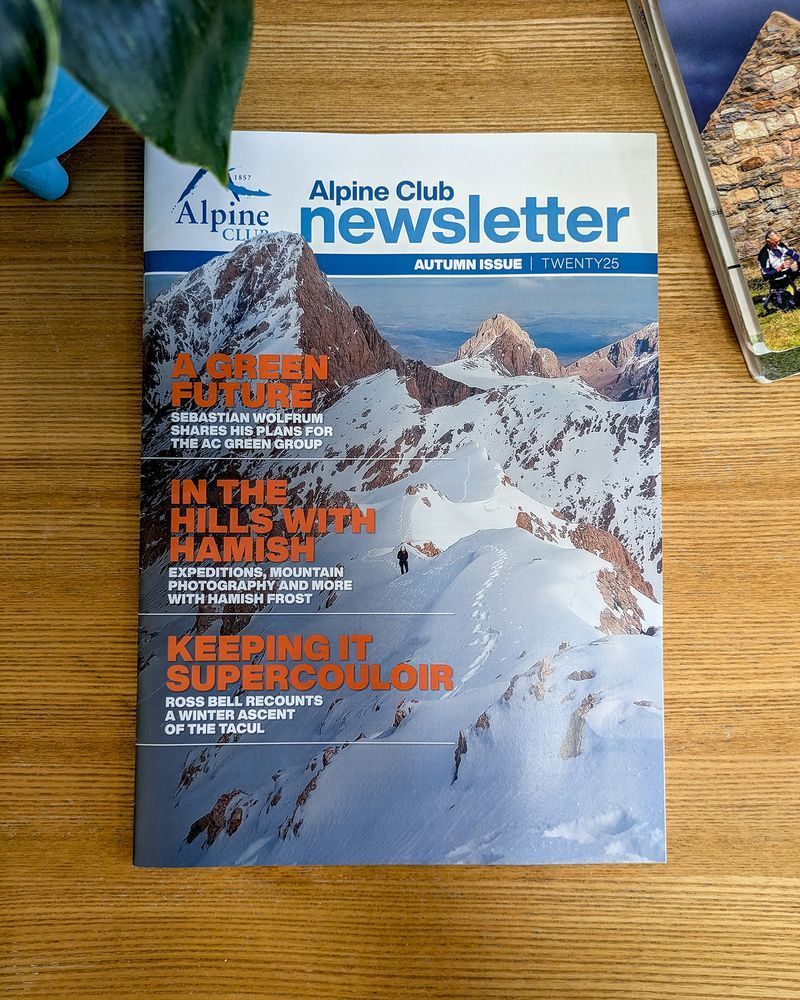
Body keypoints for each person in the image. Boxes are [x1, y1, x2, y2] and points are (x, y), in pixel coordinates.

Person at [758, 229, 800, 310]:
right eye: (775, 242)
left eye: (778, 241)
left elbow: (795, 255)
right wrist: (779, 268)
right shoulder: (764, 255)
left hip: (786, 272)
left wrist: (794, 262)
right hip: (776, 277)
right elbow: (765, 275)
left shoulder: (780, 245)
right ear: (768, 241)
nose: (778, 244)